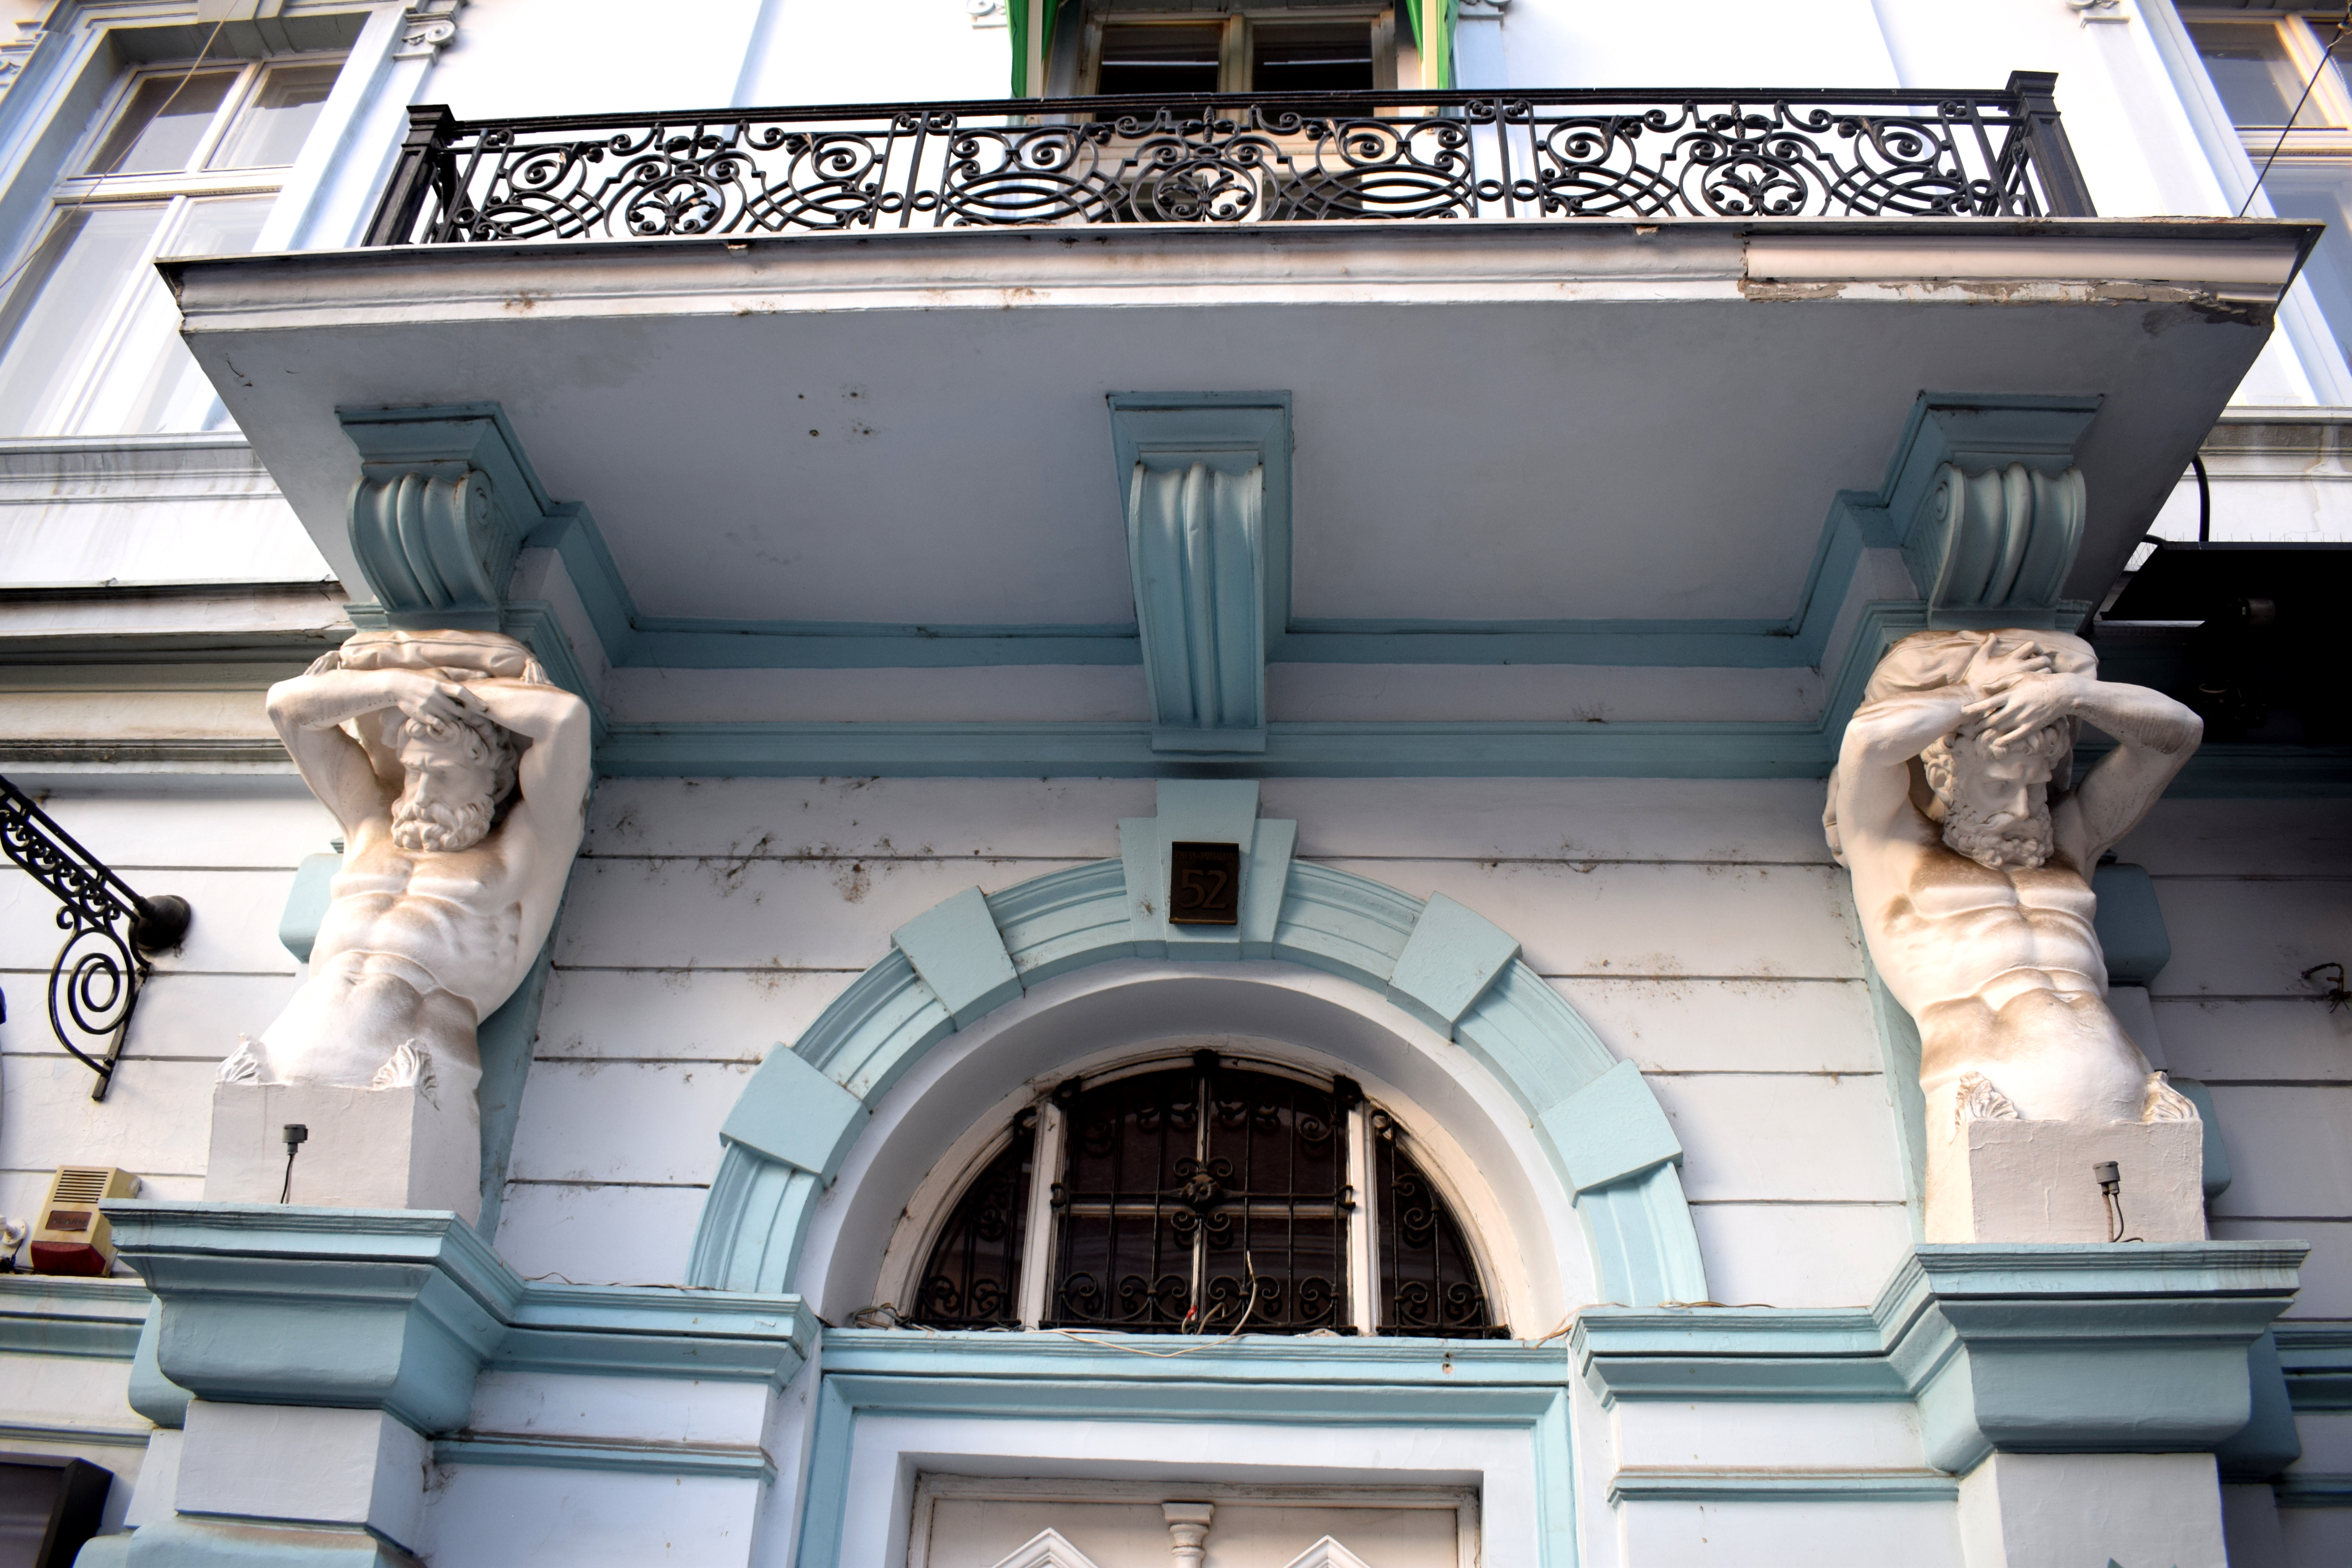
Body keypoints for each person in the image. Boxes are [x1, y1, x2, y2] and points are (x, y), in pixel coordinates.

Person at [1826, 627, 2202, 1135]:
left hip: (2133, 1097)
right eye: (2001, 785)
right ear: (1944, 774)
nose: (2025, 807)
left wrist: (2070, 694)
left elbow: (2179, 736)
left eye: (2035, 784)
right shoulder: (1893, 846)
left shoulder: (2066, 842)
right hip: (1993, 1104)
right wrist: (1978, 692)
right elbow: (1868, 742)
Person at [222, 629, 590, 1098]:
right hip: (285, 1052)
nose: (417, 794)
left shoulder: (529, 842)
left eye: (439, 775)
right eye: (415, 771)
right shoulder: (372, 824)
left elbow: (564, 717)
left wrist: (459, 694)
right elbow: (286, 708)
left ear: (495, 783)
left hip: (413, 1071)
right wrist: (400, 687)